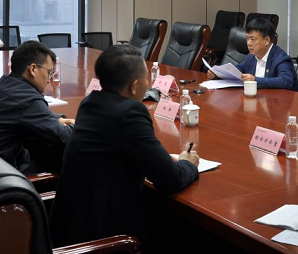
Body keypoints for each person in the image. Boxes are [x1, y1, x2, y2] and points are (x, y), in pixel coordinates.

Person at [49, 45, 199, 249]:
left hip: (70, 227)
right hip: (107, 238)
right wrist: (187, 163)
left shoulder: (90, 103)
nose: (149, 85)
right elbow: (170, 179)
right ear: (135, 85)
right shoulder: (130, 113)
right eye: (146, 79)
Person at [0, 40, 74, 174]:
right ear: (33, 69)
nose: (49, 80)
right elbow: (65, 138)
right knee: (72, 156)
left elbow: (23, 113)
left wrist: (57, 119)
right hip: (3, 173)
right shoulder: (27, 98)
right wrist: (82, 127)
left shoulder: (2, 84)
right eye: (49, 72)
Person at [207, 17, 298, 90]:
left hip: (279, 104)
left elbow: (286, 81)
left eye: (253, 39)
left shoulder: (281, 58)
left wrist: (255, 80)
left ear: (267, 40)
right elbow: (237, 70)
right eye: (247, 38)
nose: (249, 43)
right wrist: (217, 74)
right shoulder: (251, 56)